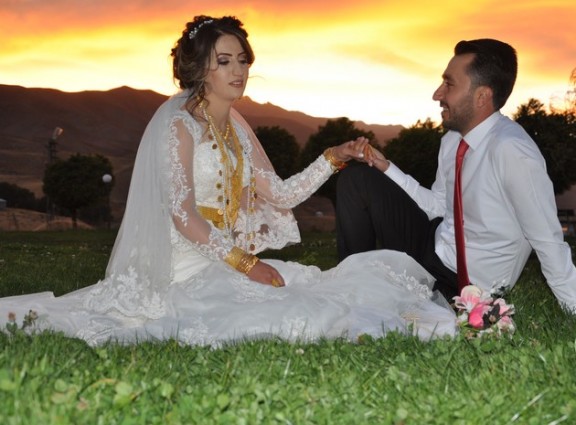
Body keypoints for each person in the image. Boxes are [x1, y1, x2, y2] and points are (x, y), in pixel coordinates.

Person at [0, 15, 456, 346]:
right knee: (282, 310)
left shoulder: (236, 127)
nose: (238, 70)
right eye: (224, 61)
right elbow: (183, 215)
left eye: (242, 60)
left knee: (318, 291)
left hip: (225, 259)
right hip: (184, 267)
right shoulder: (178, 125)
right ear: (201, 68)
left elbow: (280, 194)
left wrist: (332, 158)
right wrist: (246, 263)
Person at [336, 38, 576, 322]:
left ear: (482, 96)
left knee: (414, 313)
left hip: (466, 286)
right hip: (431, 246)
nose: (437, 94)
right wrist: (387, 168)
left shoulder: (513, 151)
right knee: (358, 178)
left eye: (449, 84)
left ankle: (377, 295)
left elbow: (548, 241)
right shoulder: (452, 140)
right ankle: (353, 289)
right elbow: (437, 206)